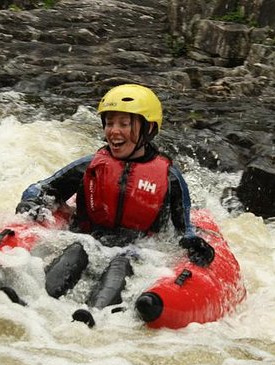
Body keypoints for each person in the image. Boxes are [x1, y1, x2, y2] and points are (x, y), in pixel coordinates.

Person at [15, 84, 214, 310]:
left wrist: (193, 244)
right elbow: (43, 188)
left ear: (148, 129)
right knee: (76, 251)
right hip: (87, 239)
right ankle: (33, 304)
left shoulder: (169, 178)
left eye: (124, 124)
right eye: (109, 123)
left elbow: (183, 229)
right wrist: (32, 201)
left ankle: (95, 314)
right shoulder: (90, 166)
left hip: (136, 250)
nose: (114, 131)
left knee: (121, 263)